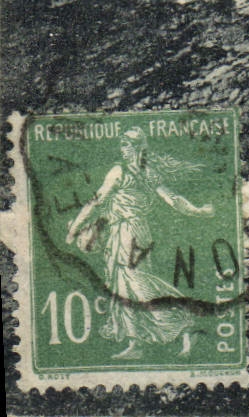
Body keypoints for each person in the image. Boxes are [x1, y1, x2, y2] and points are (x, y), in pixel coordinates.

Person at [64, 128, 215, 359]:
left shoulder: (120, 171)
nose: (123, 149)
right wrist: (199, 211)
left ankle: (183, 319)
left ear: (137, 148)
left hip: (127, 231)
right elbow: (174, 200)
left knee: (135, 284)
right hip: (134, 232)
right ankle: (137, 343)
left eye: (126, 145)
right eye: (122, 145)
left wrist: (74, 229)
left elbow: (96, 201)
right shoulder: (149, 174)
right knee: (123, 286)